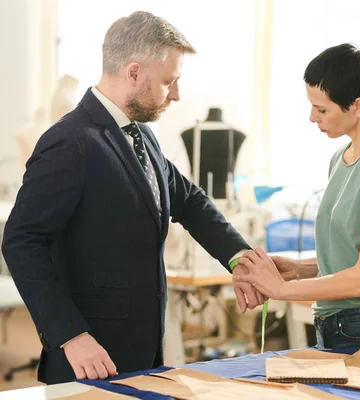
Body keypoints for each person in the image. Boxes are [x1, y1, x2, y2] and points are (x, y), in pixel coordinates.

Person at [1, 11, 264, 385]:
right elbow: (21, 242)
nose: (176, 94)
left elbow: (189, 200)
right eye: (169, 82)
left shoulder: (141, 134)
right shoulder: (69, 141)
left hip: (142, 350)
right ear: (134, 73)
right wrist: (70, 336)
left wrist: (240, 259)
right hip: (89, 354)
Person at [234, 43, 360, 363]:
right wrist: (299, 269)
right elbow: (352, 252)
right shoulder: (341, 158)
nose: (312, 117)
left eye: (322, 110)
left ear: (358, 106)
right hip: (334, 329)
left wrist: (281, 291)